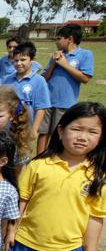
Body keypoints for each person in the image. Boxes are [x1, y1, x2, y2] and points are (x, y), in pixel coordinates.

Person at [0, 102, 105, 251]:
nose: (82, 137)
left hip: (66, 247)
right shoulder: (39, 165)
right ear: (60, 130)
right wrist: (12, 229)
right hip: (28, 240)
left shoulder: (97, 176)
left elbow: (96, 218)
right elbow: (22, 200)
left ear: (101, 137)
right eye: (76, 129)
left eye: (92, 132)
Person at [39, 23, 94, 153]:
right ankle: (39, 157)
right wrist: (53, 63)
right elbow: (43, 78)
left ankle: (55, 157)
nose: (56, 42)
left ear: (69, 39)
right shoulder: (56, 55)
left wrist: (65, 64)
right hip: (47, 100)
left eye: (59, 38)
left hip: (65, 103)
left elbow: (85, 78)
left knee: (59, 133)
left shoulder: (85, 54)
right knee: (43, 132)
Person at [1, 42, 51, 150]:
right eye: (16, 60)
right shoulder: (7, 79)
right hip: (8, 126)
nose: (19, 63)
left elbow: (41, 107)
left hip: (26, 127)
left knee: (23, 155)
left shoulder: (39, 81)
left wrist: (34, 129)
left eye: (23, 60)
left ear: (32, 60)